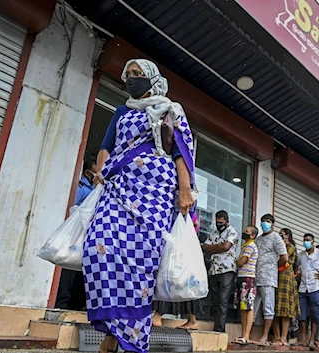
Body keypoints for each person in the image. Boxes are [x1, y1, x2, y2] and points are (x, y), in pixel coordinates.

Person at [84, 59, 196, 353]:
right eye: (129, 74)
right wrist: (101, 171)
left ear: (153, 79)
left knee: (140, 266)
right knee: (98, 248)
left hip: (155, 194)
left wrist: (184, 189)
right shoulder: (122, 111)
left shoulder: (171, 109)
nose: (132, 79)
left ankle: (125, 338)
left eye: (138, 74)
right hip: (118, 189)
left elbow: (181, 151)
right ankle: (112, 327)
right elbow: (107, 147)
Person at [56, 153, 99, 311]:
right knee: (69, 268)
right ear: (89, 171)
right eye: (97, 166)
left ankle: (79, 304)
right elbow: (72, 209)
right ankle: (63, 303)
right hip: (76, 236)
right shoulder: (81, 188)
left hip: (90, 237)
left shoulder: (98, 189)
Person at [202, 210, 239, 332]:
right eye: (217, 222)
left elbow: (226, 247)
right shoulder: (213, 234)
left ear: (227, 221)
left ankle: (219, 330)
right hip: (213, 270)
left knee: (223, 300)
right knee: (215, 301)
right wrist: (219, 247)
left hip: (227, 270)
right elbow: (205, 248)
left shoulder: (232, 232)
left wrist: (216, 247)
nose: (219, 225)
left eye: (221, 222)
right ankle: (216, 325)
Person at [254, 214, 288, 345]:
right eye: (262, 221)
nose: (264, 224)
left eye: (267, 221)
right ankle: (249, 334)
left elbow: (284, 258)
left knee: (268, 308)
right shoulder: (257, 240)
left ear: (272, 224)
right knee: (252, 307)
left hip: (268, 278)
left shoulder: (276, 238)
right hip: (255, 276)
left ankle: (264, 336)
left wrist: (272, 266)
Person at [272, 228, 300, 347]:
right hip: (274, 276)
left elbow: (284, 259)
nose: (280, 236)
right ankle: (276, 336)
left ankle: (283, 337)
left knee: (285, 310)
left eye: (282, 235)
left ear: (287, 236)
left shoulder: (290, 247)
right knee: (273, 308)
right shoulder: (276, 245)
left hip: (286, 279)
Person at [232, 225, 259, 345]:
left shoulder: (250, 246)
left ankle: (246, 335)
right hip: (242, 277)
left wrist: (237, 261)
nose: (244, 233)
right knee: (243, 307)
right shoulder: (245, 246)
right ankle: (243, 335)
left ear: (252, 235)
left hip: (248, 278)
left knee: (248, 306)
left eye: (247, 232)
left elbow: (241, 262)